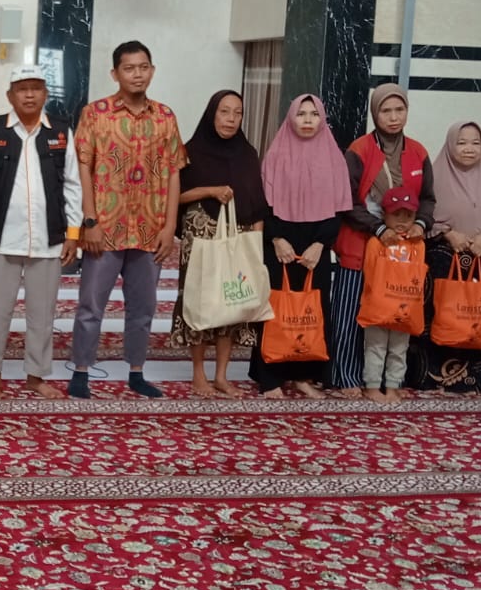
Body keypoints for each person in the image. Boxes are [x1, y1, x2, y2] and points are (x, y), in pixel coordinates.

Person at [69, 41, 185, 399]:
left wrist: (170, 226)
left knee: (143, 308)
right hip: (105, 228)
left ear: (152, 70)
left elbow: (174, 172)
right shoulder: (96, 113)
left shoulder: (165, 116)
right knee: (91, 305)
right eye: (129, 68)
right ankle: (81, 372)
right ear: (115, 73)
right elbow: (82, 168)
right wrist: (89, 221)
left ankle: (136, 371)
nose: (137, 74)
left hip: (150, 229)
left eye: (143, 67)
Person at [0, 64, 81, 399]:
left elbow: (72, 185)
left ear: (46, 94)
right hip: (0, 238)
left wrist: (73, 232)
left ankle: (36, 376)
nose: (29, 95)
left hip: (48, 238)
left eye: (36, 88)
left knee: (42, 315)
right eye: (22, 89)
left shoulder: (61, 131)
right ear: (10, 95)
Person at [329, 83, 436, 398]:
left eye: (399, 110)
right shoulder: (359, 149)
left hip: (401, 250)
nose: (393, 117)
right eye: (386, 110)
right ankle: (347, 377)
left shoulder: (418, 152)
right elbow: (346, 199)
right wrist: (377, 228)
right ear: (375, 114)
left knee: (395, 313)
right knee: (350, 313)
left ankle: (390, 382)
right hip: (360, 242)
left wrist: (421, 223)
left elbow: (428, 198)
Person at [248, 94, 351, 399]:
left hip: (315, 248)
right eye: (301, 113)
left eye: (314, 114)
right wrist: (276, 239)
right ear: (290, 117)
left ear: (322, 119)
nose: (307, 120)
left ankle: (304, 375)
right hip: (279, 243)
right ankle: (270, 377)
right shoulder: (276, 154)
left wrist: (321, 244)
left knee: (311, 312)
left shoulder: (333, 157)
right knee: (275, 309)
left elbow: (339, 208)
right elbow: (263, 204)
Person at [169, 90, 268, 398]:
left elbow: (258, 202)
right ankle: (199, 375)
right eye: (224, 112)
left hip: (238, 237)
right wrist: (209, 191)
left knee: (231, 302)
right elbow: (175, 196)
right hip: (201, 235)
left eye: (237, 113)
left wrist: (257, 245)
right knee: (201, 302)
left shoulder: (247, 153)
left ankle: (222, 376)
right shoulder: (191, 151)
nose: (231, 119)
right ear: (212, 114)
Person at [414, 121, 481, 396]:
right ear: (450, 145)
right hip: (443, 260)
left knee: (476, 316)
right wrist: (449, 234)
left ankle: (477, 379)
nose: (469, 149)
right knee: (442, 314)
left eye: (475, 143)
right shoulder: (434, 177)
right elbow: (422, 215)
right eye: (461, 143)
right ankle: (433, 377)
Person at [361, 187, 424, 405]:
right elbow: (370, 274)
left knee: (399, 348)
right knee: (375, 347)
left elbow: (418, 277)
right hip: (378, 307)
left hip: (404, 309)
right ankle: (372, 386)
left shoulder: (417, 245)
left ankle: (393, 385)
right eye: (396, 214)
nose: (402, 221)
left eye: (408, 216)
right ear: (384, 215)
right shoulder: (376, 242)